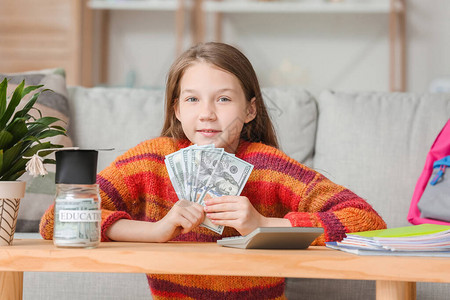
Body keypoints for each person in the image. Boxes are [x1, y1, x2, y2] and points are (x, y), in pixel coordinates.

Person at [40, 42, 386, 299]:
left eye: (223, 99)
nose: (206, 113)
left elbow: (367, 221)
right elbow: (56, 220)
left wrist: (264, 226)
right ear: (176, 109)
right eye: (192, 99)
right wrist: (156, 231)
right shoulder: (149, 162)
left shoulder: (269, 168)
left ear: (249, 110)